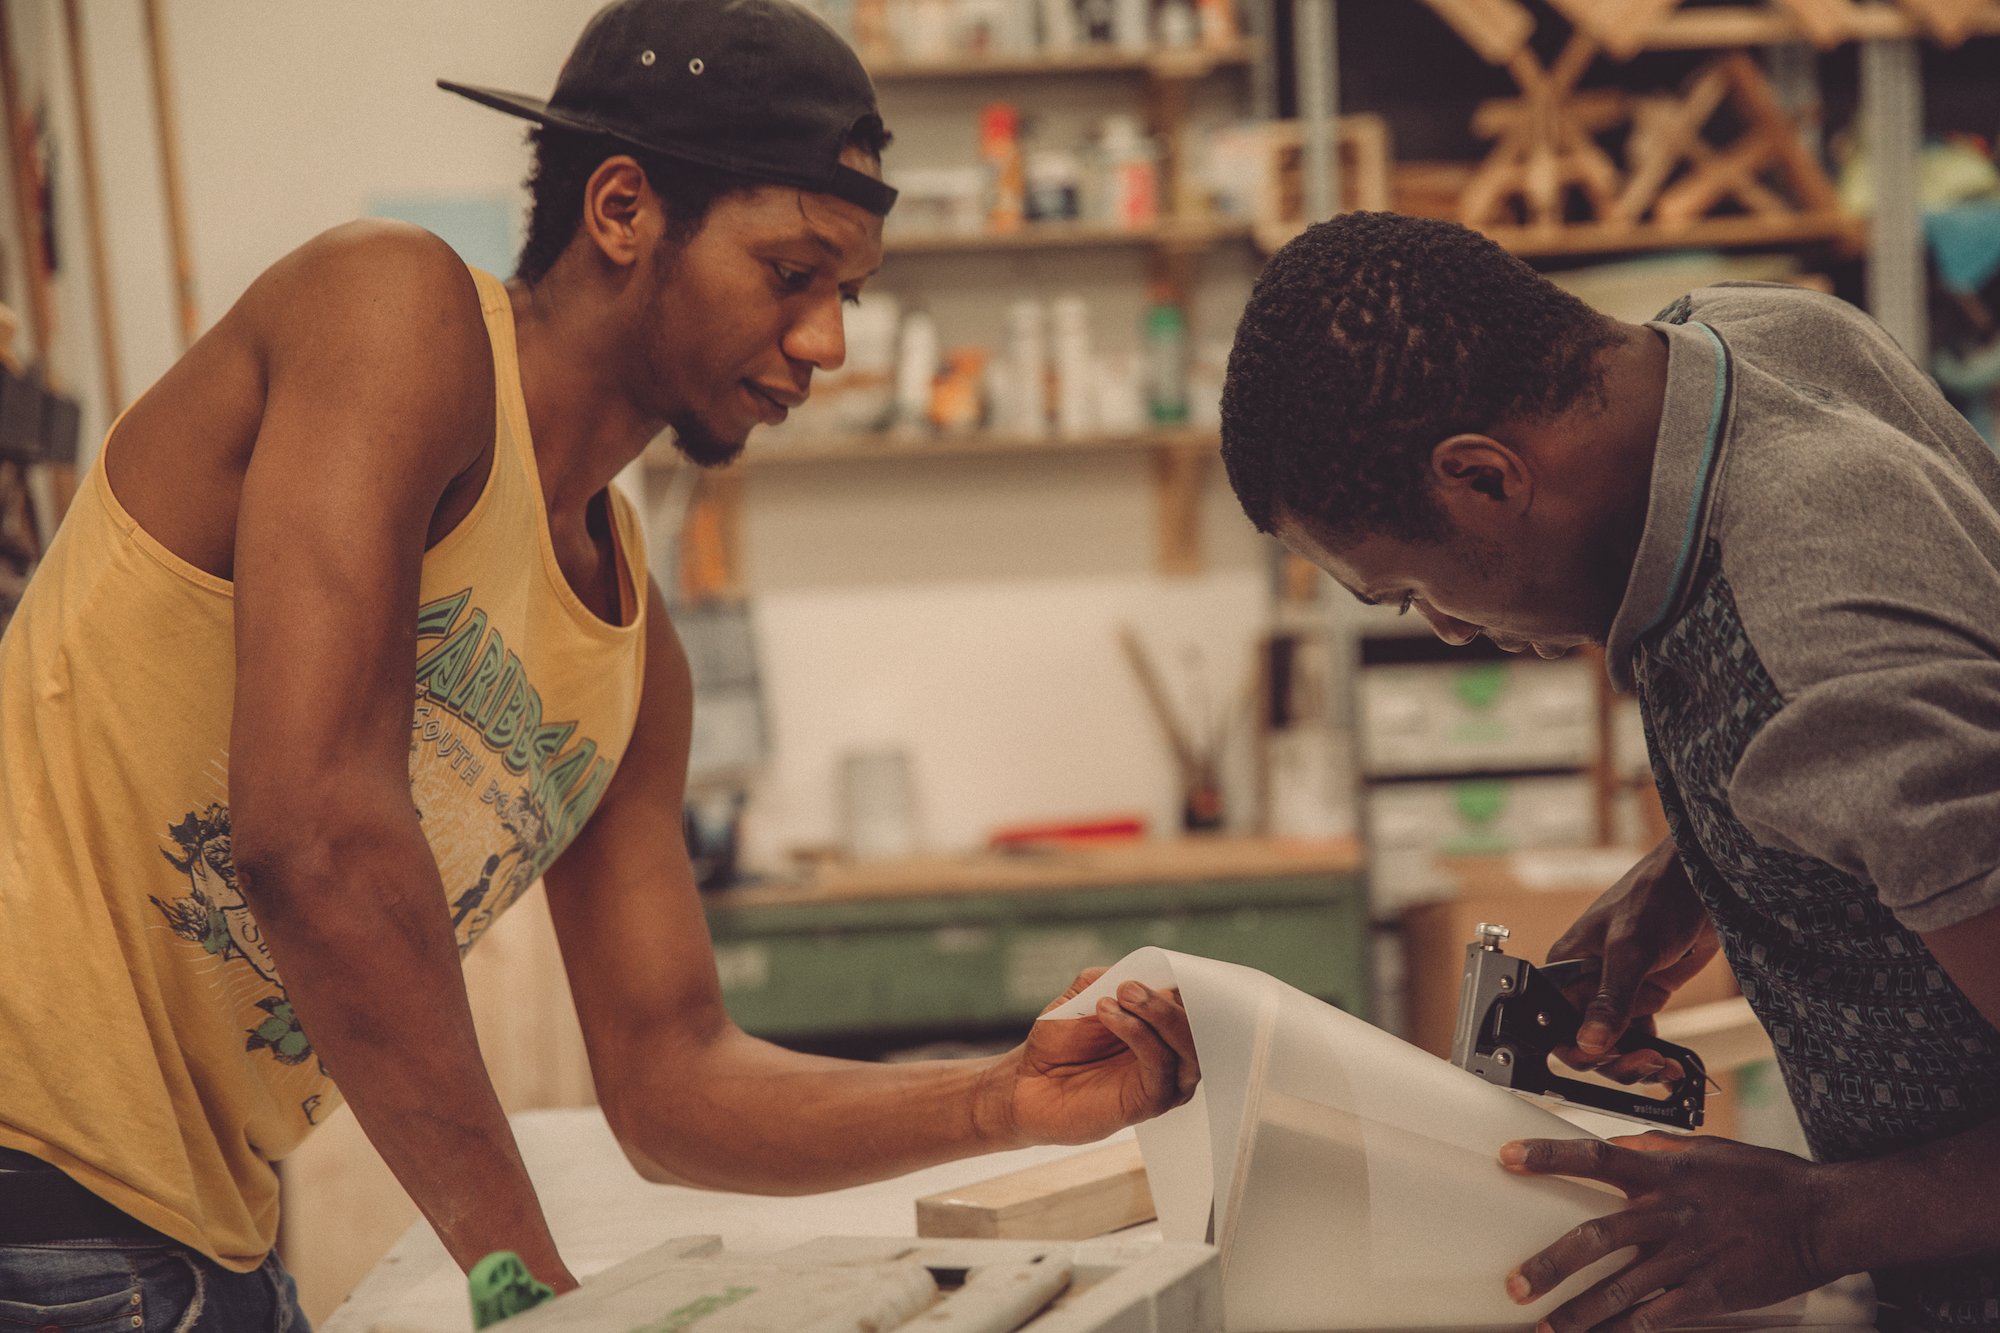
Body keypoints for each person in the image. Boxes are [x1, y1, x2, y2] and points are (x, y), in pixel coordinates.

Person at [0, 1, 1198, 1324]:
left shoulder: (632, 650)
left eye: (846, 293)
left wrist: (997, 1098)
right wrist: (530, 1286)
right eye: (791, 273)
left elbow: (671, 1078)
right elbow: (317, 836)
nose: (827, 345)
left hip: (200, 1225)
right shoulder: (392, 311)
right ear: (622, 209)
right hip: (31, 1174)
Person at [1220, 211, 2000, 1332]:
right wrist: (1710, 852)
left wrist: (1811, 1223)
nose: (1443, 629)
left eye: (1407, 592)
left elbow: (1850, 683)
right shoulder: (1748, 336)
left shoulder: (1819, 656)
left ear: (1482, 477)